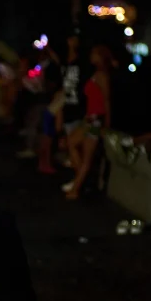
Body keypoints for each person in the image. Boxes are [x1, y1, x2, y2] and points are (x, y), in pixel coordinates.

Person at [64, 44, 113, 200]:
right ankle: (81, 180)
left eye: (94, 53)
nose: (91, 56)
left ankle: (76, 188)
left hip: (96, 120)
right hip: (90, 118)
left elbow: (106, 101)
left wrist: (107, 123)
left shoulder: (102, 75)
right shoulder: (96, 74)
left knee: (87, 156)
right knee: (71, 142)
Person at [57, 31, 87, 171]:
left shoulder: (80, 64)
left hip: (78, 108)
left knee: (75, 145)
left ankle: (79, 179)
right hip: (68, 107)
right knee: (72, 144)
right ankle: (78, 177)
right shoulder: (67, 64)